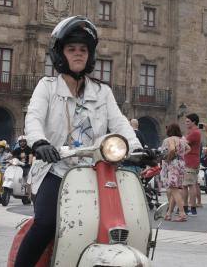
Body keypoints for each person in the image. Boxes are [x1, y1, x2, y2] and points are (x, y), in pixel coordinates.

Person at [14, 16, 143, 267]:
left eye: (83, 50)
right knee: (47, 222)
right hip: (54, 169)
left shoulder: (102, 92)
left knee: (122, 219)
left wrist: (138, 148)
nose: (78, 54)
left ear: (90, 55)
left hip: (94, 170)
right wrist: (39, 143)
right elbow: (34, 118)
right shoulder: (47, 86)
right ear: (60, 54)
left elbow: (120, 124)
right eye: (71, 49)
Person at [160, 123, 189, 221]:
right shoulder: (182, 140)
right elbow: (189, 149)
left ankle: (182, 213)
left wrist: (169, 158)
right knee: (175, 189)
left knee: (174, 189)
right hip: (181, 164)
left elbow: (172, 149)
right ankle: (169, 214)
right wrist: (180, 155)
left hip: (173, 165)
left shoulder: (170, 139)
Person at [182, 113, 202, 217]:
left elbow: (183, 143)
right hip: (191, 160)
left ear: (194, 122)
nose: (186, 123)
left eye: (188, 121)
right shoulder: (194, 132)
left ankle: (188, 208)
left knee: (187, 185)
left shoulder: (195, 133)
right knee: (189, 184)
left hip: (190, 161)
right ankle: (189, 208)